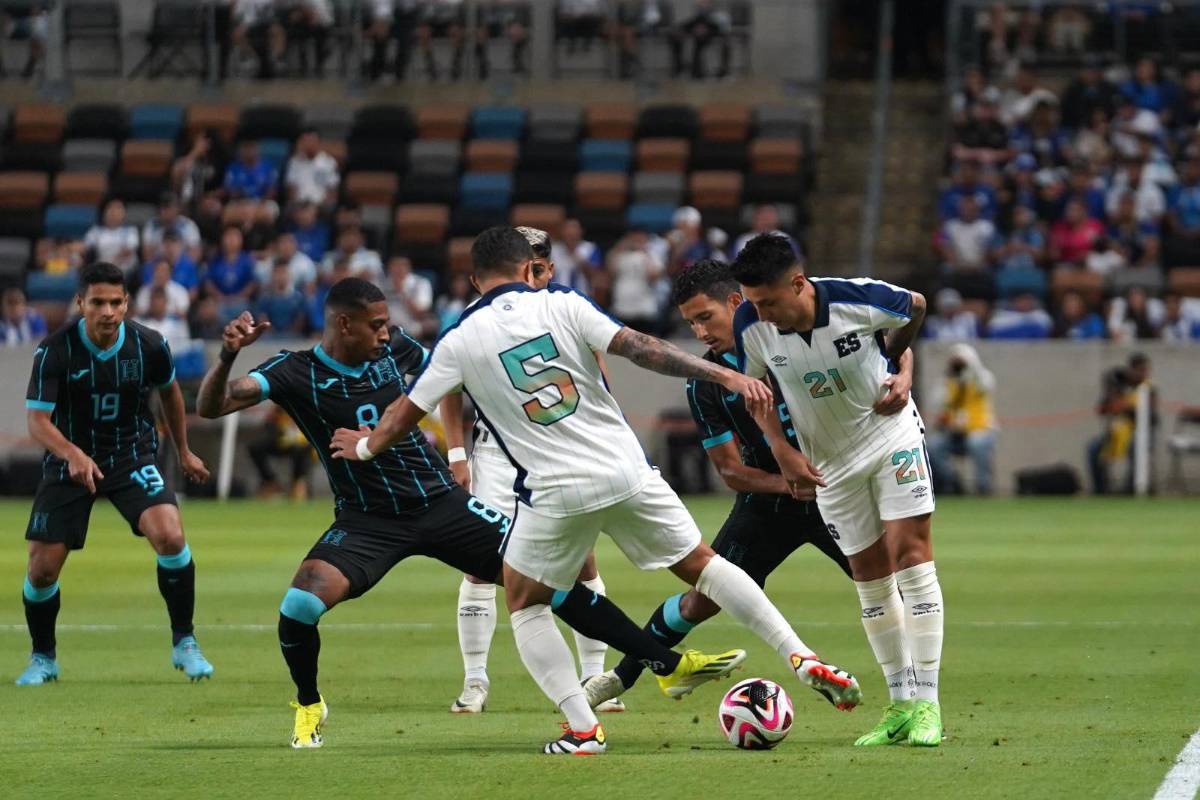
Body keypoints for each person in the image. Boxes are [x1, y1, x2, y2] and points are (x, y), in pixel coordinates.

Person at [331, 226, 863, 755]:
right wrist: (723, 376)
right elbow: (641, 348)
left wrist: (362, 448)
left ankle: (582, 729)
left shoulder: (459, 338)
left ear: (475, 280)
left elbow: (405, 416)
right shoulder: (563, 303)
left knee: (525, 600)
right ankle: (799, 654)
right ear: (526, 269)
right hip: (627, 469)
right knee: (704, 565)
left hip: (554, 491)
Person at [198, 278, 746, 749]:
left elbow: (456, 376)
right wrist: (226, 357)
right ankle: (309, 704)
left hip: (442, 504)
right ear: (343, 324)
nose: (387, 334)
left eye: (387, 324)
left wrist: (467, 448)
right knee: (298, 606)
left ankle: (667, 665)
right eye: (376, 325)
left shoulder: (399, 352)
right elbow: (213, 406)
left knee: (545, 585)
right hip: (366, 519)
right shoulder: (294, 372)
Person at [583, 260, 860, 707]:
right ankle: (620, 677)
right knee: (702, 599)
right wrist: (787, 483)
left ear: (735, 302)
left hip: (835, 492)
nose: (699, 332)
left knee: (888, 585)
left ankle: (913, 697)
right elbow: (730, 471)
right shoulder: (705, 385)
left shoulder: (790, 343)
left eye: (705, 317)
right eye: (691, 322)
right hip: (768, 506)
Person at [729, 233, 944, 748]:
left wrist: (897, 363)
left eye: (770, 302)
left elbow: (914, 305)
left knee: (912, 559)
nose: (762, 313)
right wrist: (781, 449)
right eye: (754, 303)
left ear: (799, 284)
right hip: (830, 465)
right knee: (869, 580)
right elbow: (755, 394)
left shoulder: (854, 297)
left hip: (889, 436)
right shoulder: (750, 324)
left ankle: (930, 706)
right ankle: (900, 704)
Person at [439, 226, 621, 714]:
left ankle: (595, 678)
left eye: (542, 269)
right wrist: (458, 457)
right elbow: (448, 392)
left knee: (582, 562)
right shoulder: (472, 323)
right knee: (481, 564)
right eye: (530, 268)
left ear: (550, 270)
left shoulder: (568, 310)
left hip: (564, 455)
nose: (534, 277)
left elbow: (600, 384)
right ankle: (475, 680)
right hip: (498, 458)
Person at [16, 262, 212, 686]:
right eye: (98, 302)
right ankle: (43, 658)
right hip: (69, 462)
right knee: (42, 570)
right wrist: (73, 454)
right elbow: (37, 422)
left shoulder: (150, 345)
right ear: (80, 303)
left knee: (171, 536)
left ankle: (185, 641)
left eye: (115, 302)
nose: (107, 311)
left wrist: (184, 451)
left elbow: (171, 395)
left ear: (126, 303)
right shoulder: (55, 350)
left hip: (131, 456)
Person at [928, 344, 997, 496]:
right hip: (954, 434)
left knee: (976, 443)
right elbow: (937, 403)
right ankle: (952, 484)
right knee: (934, 446)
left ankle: (983, 488)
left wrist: (968, 364)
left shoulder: (981, 379)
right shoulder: (946, 382)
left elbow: (986, 382)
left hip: (980, 430)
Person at [1086, 353, 1156, 495]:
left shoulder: (1149, 388)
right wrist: (1113, 396)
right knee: (1093, 448)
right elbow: (1103, 409)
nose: (1144, 374)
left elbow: (1151, 417)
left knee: (1135, 448)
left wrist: (1125, 407)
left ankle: (1130, 490)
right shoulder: (1118, 385)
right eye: (1140, 370)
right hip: (1116, 432)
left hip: (1140, 433)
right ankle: (1101, 491)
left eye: (1146, 370)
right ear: (1131, 370)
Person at [248, 405, 313, 500]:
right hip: (283, 440)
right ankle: (270, 482)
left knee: (302, 450)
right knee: (255, 448)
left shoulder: (308, 405)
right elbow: (268, 425)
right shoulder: (279, 407)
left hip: (304, 444)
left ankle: (297, 483)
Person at [285, 128, 340, 211]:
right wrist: (297, 206)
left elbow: (332, 190)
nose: (308, 144)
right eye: (305, 141)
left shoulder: (328, 162)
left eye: (311, 141)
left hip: (321, 206)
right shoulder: (294, 162)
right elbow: (291, 189)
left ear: (318, 143)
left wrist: (319, 207)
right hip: (299, 206)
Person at [83, 199, 140, 275]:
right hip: (102, 268)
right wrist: (69, 248)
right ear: (104, 212)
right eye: (110, 208)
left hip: (125, 270)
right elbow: (84, 246)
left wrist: (110, 265)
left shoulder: (130, 230)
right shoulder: (96, 231)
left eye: (118, 208)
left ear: (124, 213)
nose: (114, 212)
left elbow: (127, 251)